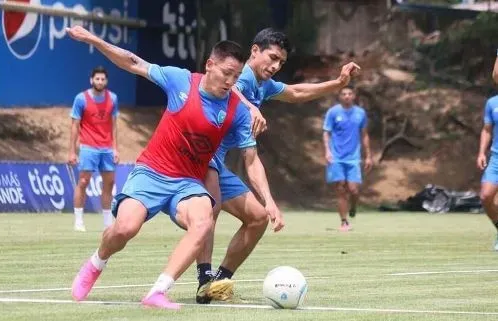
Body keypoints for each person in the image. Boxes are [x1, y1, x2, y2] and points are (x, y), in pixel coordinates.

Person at [65, 25, 261, 310]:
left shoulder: (237, 111)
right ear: (210, 65)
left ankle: (158, 291)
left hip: (188, 183)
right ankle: (96, 263)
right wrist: (94, 39)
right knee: (124, 229)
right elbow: (133, 62)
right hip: (152, 172)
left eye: (236, 76)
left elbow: (251, 159)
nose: (230, 81)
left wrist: (267, 200)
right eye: (226, 73)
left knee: (203, 222)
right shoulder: (180, 81)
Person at [195, 28, 361, 304]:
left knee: (258, 218)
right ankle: (204, 278)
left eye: (281, 63)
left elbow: (296, 92)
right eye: (271, 58)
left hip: (218, 160)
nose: (275, 66)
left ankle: (218, 281)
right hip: (198, 155)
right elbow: (231, 88)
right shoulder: (242, 76)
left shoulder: (263, 84)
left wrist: (337, 83)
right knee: (210, 208)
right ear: (255, 51)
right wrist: (250, 106)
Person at [69, 66, 119, 231]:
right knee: (83, 181)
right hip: (88, 147)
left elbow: (114, 126)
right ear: (91, 80)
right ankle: (78, 220)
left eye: (103, 79)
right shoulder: (81, 99)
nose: (100, 81)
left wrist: (115, 148)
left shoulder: (112, 98)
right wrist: (71, 151)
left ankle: (107, 222)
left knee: (109, 184)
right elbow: (75, 126)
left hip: (106, 149)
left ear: (106, 81)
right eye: (97, 79)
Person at [323, 86, 372, 232]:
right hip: (336, 157)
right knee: (340, 188)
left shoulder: (360, 113)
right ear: (340, 96)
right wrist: (327, 151)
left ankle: (354, 207)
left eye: (350, 94)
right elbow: (326, 133)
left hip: (353, 158)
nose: (347, 96)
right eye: (344, 94)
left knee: (353, 189)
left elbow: (364, 134)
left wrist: (369, 156)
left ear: (354, 96)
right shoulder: (333, 112)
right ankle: (344, 222)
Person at [477, 94, 498, 251]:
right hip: (496, 157)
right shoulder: (492, 102)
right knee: (486, 196)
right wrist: (481, 153)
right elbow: (487, 130)